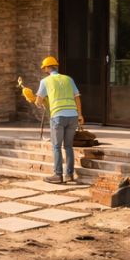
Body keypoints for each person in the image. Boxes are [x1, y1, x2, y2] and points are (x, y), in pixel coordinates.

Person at [34, 56, 84, 184]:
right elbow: (77, 97)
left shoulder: (45, 81)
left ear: (46, 68)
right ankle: (69, 175)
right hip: (73, 116)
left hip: (58, 117)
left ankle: (58, 175)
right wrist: (80, 115)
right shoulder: (68, 79)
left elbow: (38, 102)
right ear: (56, 66)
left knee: (56, 146)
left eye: (44, 67)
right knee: (68, 146)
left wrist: (38, 102)